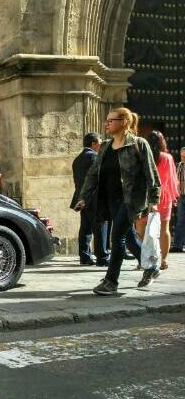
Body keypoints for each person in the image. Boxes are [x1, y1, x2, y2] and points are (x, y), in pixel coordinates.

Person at [74, 107, 161, 295]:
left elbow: (151, 173)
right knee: (128, 236)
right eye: (106, 120)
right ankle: (151, 267)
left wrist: (154, 199)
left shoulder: (139, 144)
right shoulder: (105, 146)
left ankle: (111, 281)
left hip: (131, 200)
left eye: (111, 120)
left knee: (117, 237)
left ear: (124, 122)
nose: (106, 123)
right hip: (109, 200)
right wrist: (83, 197)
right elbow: (93, 174)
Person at [134, 131, 179, 269]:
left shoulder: (141, 154)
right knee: (164, 229)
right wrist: (173, 196)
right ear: (162, 142)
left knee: (141, 230)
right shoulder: (167, 157)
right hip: (163, 196)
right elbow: (171, 179)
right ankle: (163, 260)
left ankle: (143, 260)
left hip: (144, 196)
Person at [71, 133, 109, 266]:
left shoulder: (78, 159)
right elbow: (99, 178)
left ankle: (85, 256)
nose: (101, 144)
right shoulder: (93, 156)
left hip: (82, 199)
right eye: (99, 142)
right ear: (93, 144)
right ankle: (102, 257)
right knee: (100, 228)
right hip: (95, 198)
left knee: (86, 228)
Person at [172, 148, 185, 253]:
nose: (183, 158)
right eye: (182, 156)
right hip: (181, 197)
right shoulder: (179, 166)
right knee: (180, 221)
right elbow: (175, 180)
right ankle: (177, 245)